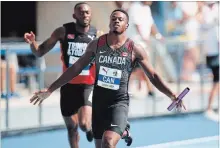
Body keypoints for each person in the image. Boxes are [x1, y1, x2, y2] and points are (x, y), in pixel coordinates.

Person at [29, 9, 185, 148]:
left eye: (120, 19)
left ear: (127, 26)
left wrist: (172, 95)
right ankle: (123, 131)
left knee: (108, 142)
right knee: (101, 144)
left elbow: (154, 76)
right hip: (99, 104)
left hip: (119, 103)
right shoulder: (96, 45)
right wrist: (50, 89)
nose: (116, 21)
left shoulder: (135, 49)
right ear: (109, 23)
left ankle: (121, 128)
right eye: (113, 19)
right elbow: (75, 69)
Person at [24, 2, 98, 147]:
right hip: (67, 86)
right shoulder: (63, 31)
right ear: (74, 15)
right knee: (71, 127)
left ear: (91, 15)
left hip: (87, 85)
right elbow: (39, 52)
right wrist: (32, 43)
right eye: (81, 12)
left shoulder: (97, 34)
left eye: (87, 12)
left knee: (83, 125)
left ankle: (90, 129)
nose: (85, 15)